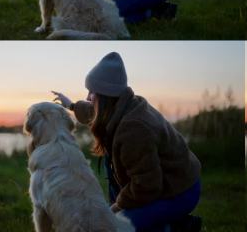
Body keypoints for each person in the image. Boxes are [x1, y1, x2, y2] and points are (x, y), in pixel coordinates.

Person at [53, 52, 202, 232]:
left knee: (117, 226)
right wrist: (71, 106)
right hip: (159, 185)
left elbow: (147, 186)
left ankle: (178, 227)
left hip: (178, 191)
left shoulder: (134, 128)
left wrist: (115, 209)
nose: (87, 97)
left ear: (105, 96)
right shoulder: (120, 105)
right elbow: (93, 111)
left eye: (91, 92)